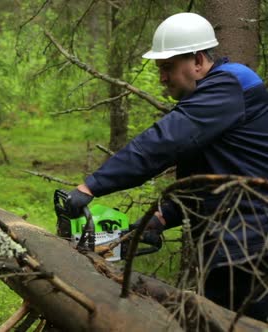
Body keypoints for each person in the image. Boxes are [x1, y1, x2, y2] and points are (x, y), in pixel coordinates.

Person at [64, 12, 268, 322]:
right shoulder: (214, 102)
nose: (162, 78)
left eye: (167, 68)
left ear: (198, 61)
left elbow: (162, 143)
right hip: (231, 247)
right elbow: (207, 177)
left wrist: (91, 185)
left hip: (253, 245)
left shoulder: (229, 84)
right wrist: (162, 216)